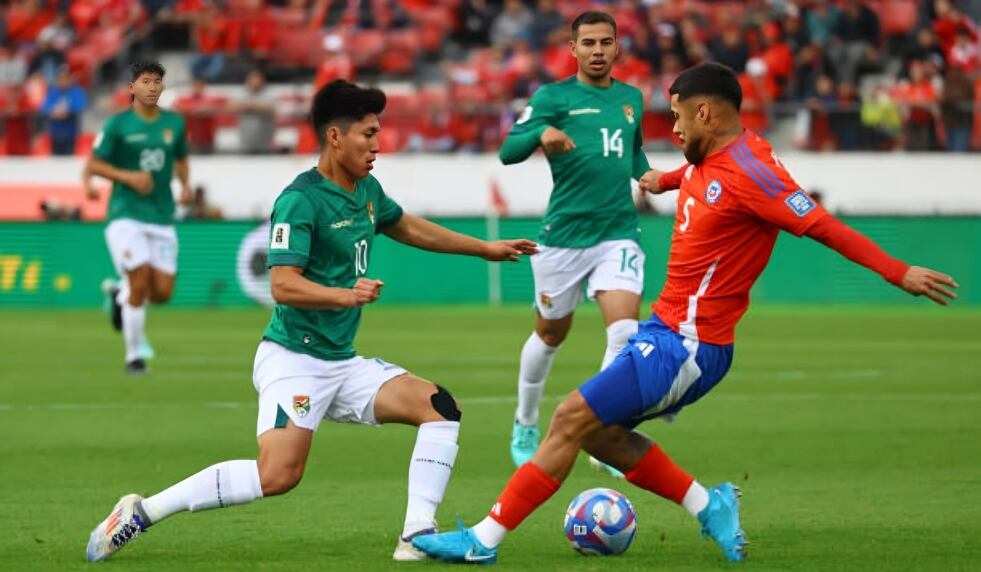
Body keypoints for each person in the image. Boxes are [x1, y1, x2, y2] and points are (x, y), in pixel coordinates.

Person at [412, 62, 958, 564]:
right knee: (599, 435)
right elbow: (702, 178)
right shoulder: (710, 158)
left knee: (568, 419)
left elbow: (819, 224)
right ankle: (708, 504)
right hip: (667, 332)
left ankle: (482, 540)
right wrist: (664, 179)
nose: (670, 129)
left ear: (705, 112)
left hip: (688, 346)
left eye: (675, 116)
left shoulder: (754, 172)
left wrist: (897, 271)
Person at [84, 79, 538, 563]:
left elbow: (404, 224)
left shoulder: (366, 189)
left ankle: (416, 535)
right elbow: (282, 284)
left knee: (439, 407)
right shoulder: (300, 200)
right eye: (367, 134)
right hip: (294, 359)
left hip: (340, 362)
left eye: (378, 133)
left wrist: (484, 249)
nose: (377, 145)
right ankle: (141, 511)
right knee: (277, 476)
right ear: (335, 137)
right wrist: (346, 295)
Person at [501, 11, 659, 474]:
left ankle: (602, 429)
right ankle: (525, 421)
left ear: (616, 49)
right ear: (572, 49)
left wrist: (649, 176)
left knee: (625, 331)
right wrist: (539, 132)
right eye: (587, 43)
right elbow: (508, 151)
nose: (596, 50)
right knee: (550, 334)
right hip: (564, 238)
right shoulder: (554, 96)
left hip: (618, 234)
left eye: (605, 42)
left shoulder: (631, 99)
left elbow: (633, 154)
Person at [82, 61, 192, 374]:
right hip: (125, 213)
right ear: (132, 88)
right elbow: (94, 164)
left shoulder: (175, 123)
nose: (153, 87)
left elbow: (182, 160)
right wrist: (128, 177)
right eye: (146, 81)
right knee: (140, 279)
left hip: (161, 215)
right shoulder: (117, 125)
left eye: (158, 81)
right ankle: (134, 357)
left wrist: (184, 185)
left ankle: (120, 294)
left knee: (162, 293)